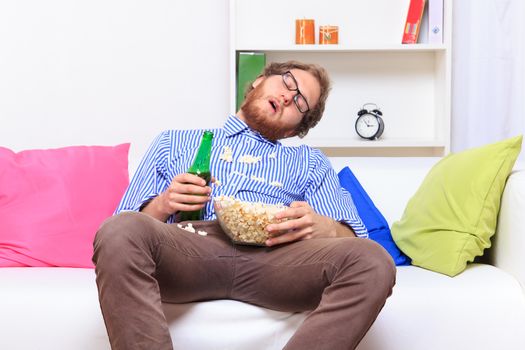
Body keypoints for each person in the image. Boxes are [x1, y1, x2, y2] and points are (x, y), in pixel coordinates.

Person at [93, 61, 396, 350]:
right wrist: (162, 204)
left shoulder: (309, 162)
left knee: (373, 261)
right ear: (259, 81)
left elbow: (357, 238)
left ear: (294, 129)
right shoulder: (173, 142)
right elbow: (122, 226)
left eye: (302, 103)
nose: (289, 97)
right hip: (188, 248)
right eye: (287, 81)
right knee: (119, 232)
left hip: (276, 258)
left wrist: (327, 227)